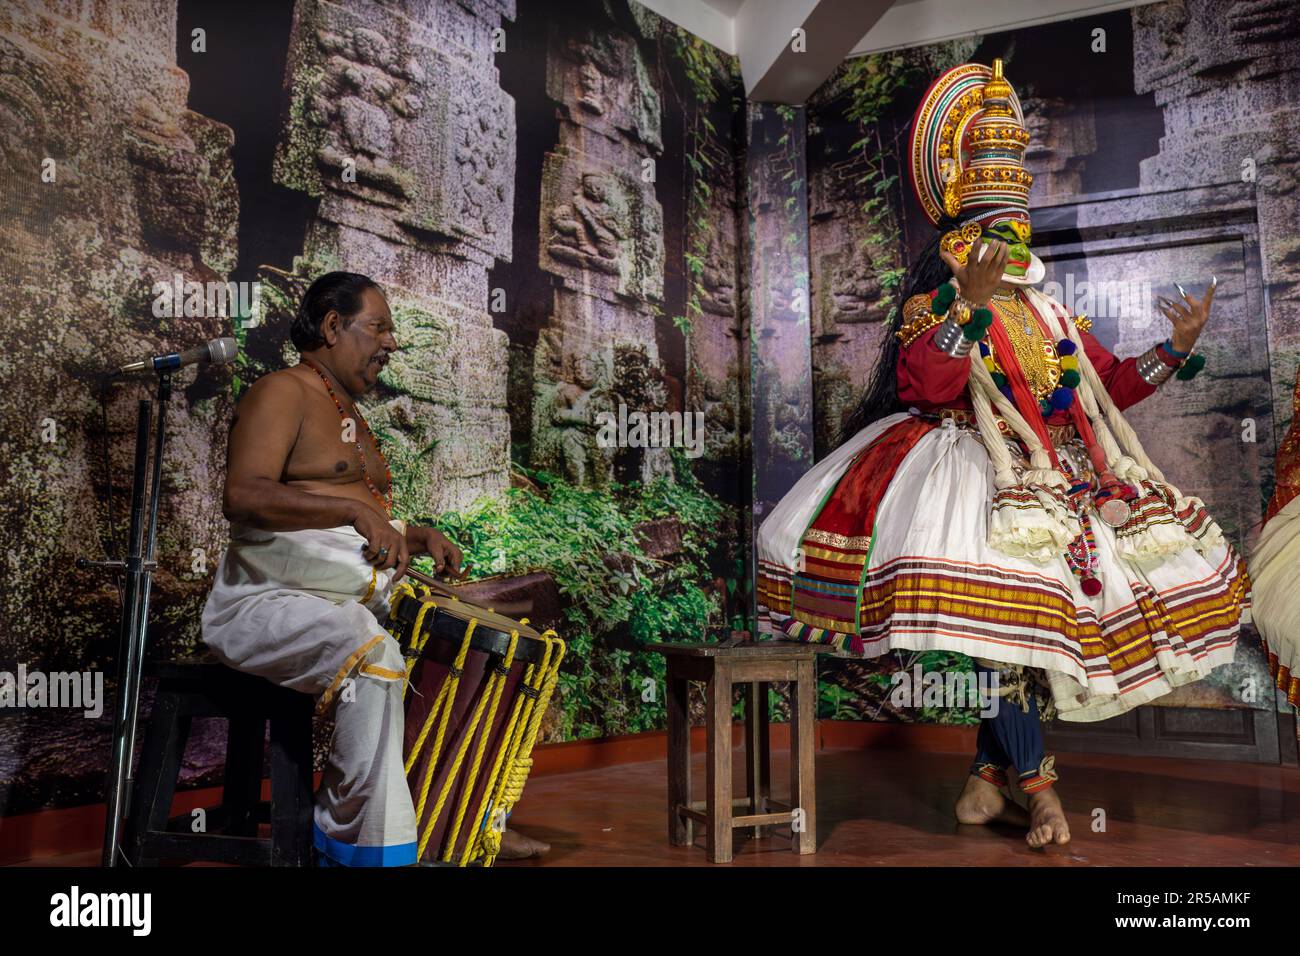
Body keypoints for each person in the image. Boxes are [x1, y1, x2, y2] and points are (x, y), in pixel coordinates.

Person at [756, 60, 1247, 848]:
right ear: (962, 238)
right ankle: (1040, 790)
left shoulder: (1053, 315)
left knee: (1031, 639)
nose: (1008, 243)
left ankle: (986, 783)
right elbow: (926, 382)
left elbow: (1106, 389)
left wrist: (1172, 349)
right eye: (993, 233)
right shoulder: (938, 305)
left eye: (1016, 231)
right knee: (1011, 633)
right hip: (970, 479)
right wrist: (970, 308)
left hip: (1063, 484)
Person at [202, 271, 546, 864]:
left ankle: (458, 819)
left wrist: (413, 533)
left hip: (348, 596)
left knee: (492, 642)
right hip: (267, 601)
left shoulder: (347, 411)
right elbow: (244, 494)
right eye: (380, 327)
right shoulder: (282, 391)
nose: (392, 344)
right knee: (374, 652)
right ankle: (351, 837)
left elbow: (349, 516)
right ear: (333, 326)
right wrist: (352, 514)